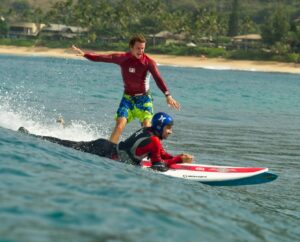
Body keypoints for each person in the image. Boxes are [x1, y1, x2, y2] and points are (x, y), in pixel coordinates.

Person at [72, 34, 181, 144]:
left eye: (143, 48)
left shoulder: (149, 63)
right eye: (138, 48)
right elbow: (103, 57)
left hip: (144, 100)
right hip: (127, 99)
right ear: (131, 47)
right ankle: (110, 149)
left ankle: (146, 152)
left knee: (147, 128)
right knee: (119, 125)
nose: (140, 51)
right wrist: (85, 54)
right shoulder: (123, 58)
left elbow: (158, 78)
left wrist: (168, 95)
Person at [18, 112, 193, 171]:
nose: (170, 131)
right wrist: (178, 160)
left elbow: (160, 154)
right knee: (66, 146)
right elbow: (158, 166)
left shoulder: (150, 134)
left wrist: (178, 156)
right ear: (160, 127)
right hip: (106, 152)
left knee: (67, 144)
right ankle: (33, 137)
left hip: (107, 147)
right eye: (168, 128)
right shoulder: (154, 140)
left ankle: (33, 135)